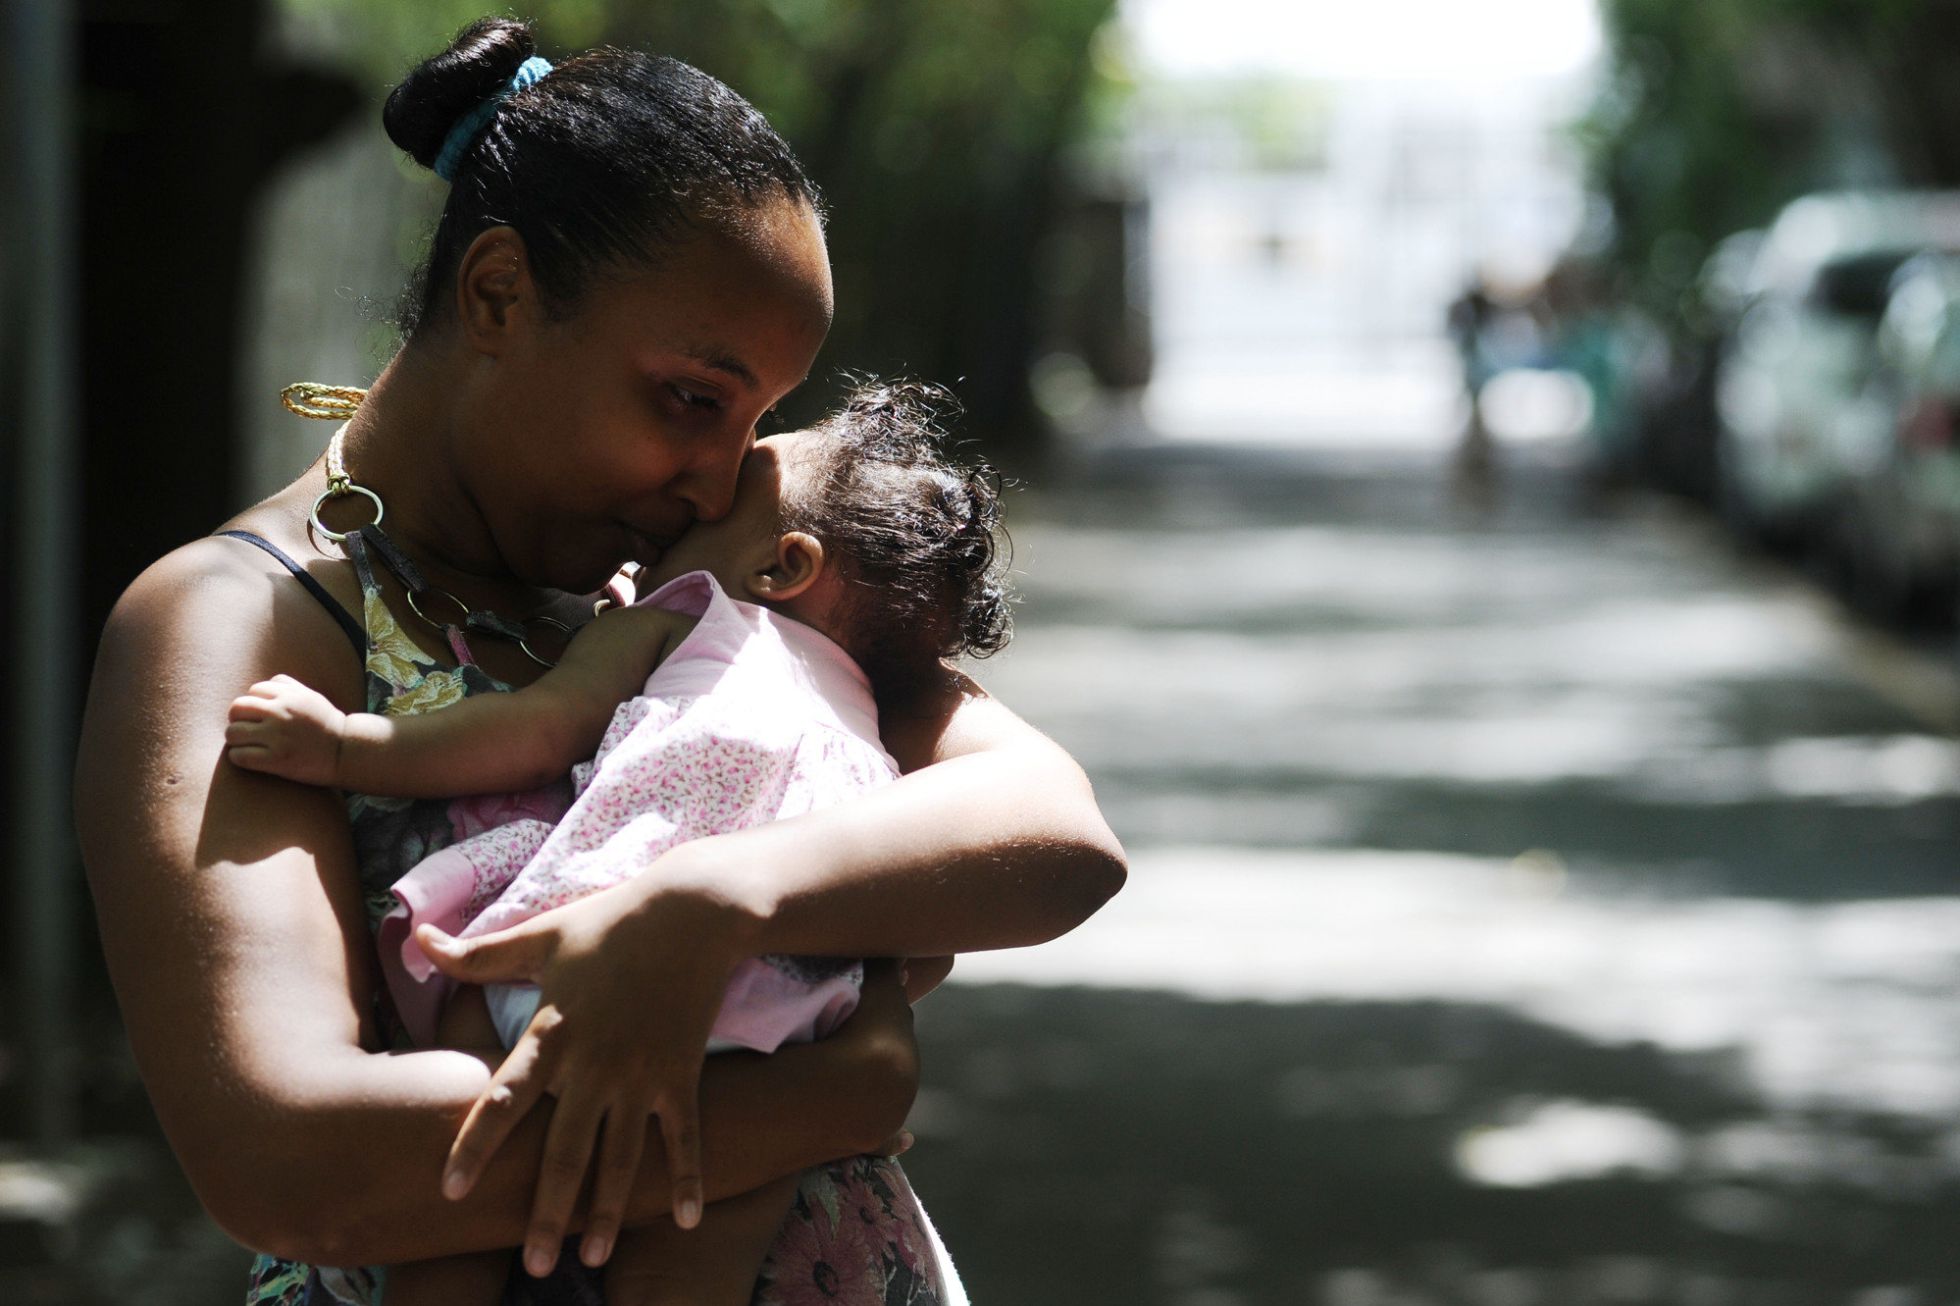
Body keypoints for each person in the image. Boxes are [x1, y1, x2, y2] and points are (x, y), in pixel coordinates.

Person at [72, 17, 1125, 1306]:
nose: (725, 470)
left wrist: (710, 904)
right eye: (692, 396)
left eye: (758, 422)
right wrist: (833, 1092)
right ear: (499, 294)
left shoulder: (700, 588)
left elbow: (1052, 829)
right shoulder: (245, 621)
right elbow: (300, 1159)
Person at [223, 386, 1010, 1305]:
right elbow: (922, 937)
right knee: (695, 1249)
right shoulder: (880, 725)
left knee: (462, 1159)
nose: (705, 499)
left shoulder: (686, 617)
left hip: (598, 959)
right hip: (786, 1012)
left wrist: (343, 748)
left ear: (785, 563)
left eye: (740, 490)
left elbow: (539, 728)